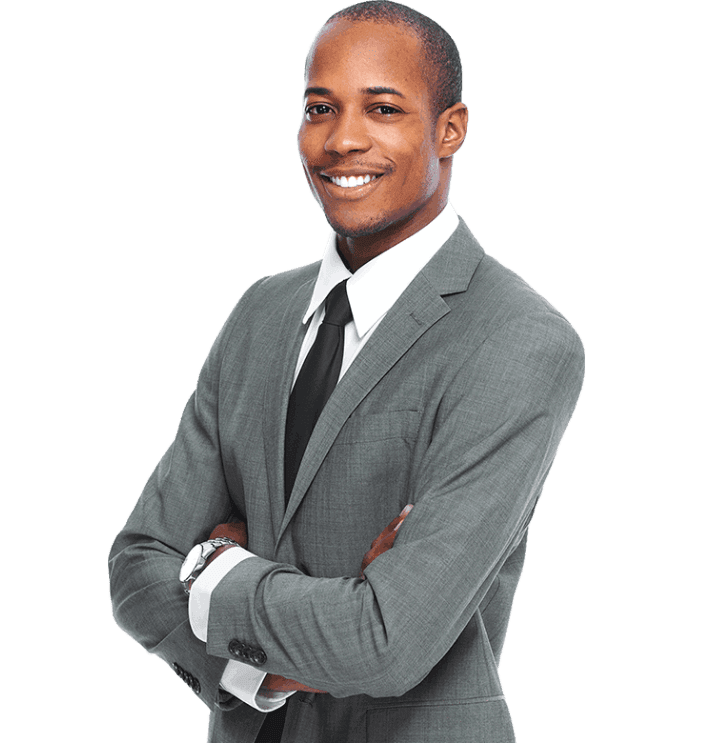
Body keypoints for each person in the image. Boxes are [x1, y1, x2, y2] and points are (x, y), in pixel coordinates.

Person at [108, 2, 586, 741]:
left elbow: (387, 640)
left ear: (450, 129)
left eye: (383, 109)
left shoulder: (519, 339)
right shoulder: (261, 311)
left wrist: (210, 571)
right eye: (319, 108)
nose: (342, 140)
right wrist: (256, 672)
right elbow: (138, 566)